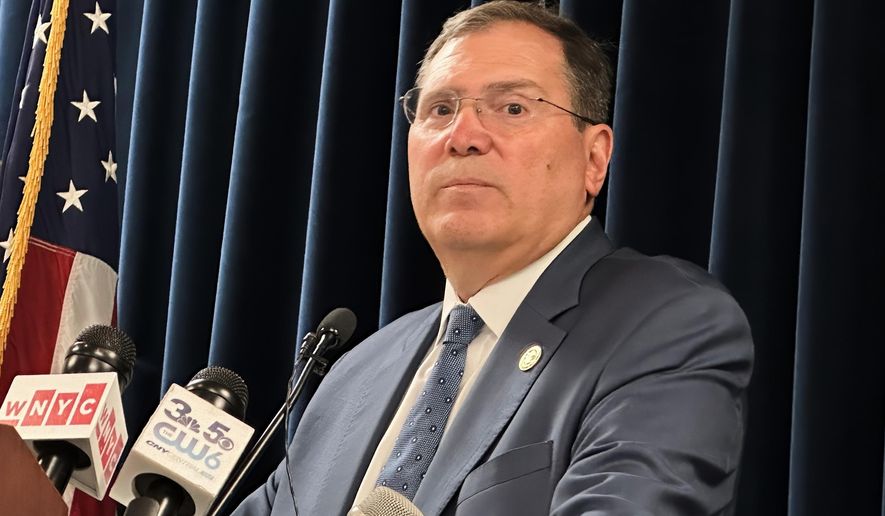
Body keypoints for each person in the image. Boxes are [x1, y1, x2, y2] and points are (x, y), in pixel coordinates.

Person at [234, 2, 753, 515]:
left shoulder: (666, 325)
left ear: (594, 158)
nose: (463, 137)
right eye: (440, 109)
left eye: (512, 108)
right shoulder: (355, 373)